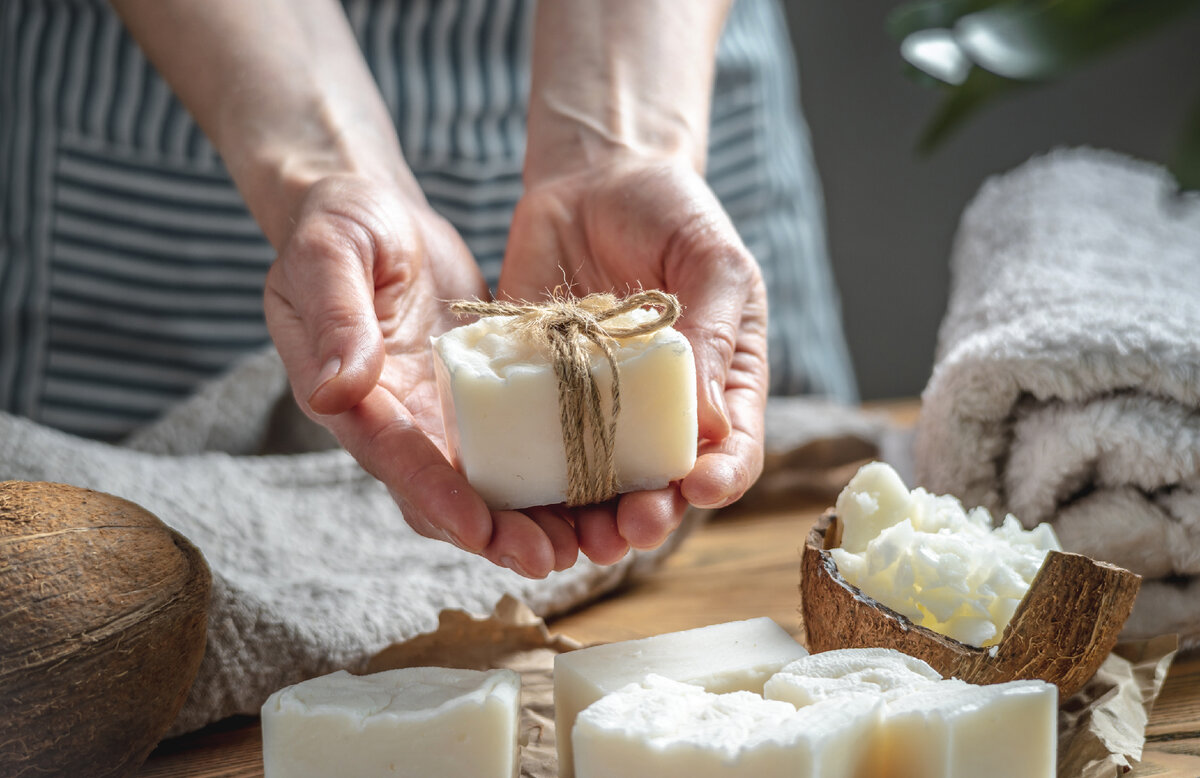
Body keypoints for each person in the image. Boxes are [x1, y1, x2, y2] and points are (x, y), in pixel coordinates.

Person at [0, 0, 856, 578]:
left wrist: (624, 146)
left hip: (663, 72)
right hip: (194, 122)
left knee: (774, 530)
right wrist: (325, 173)